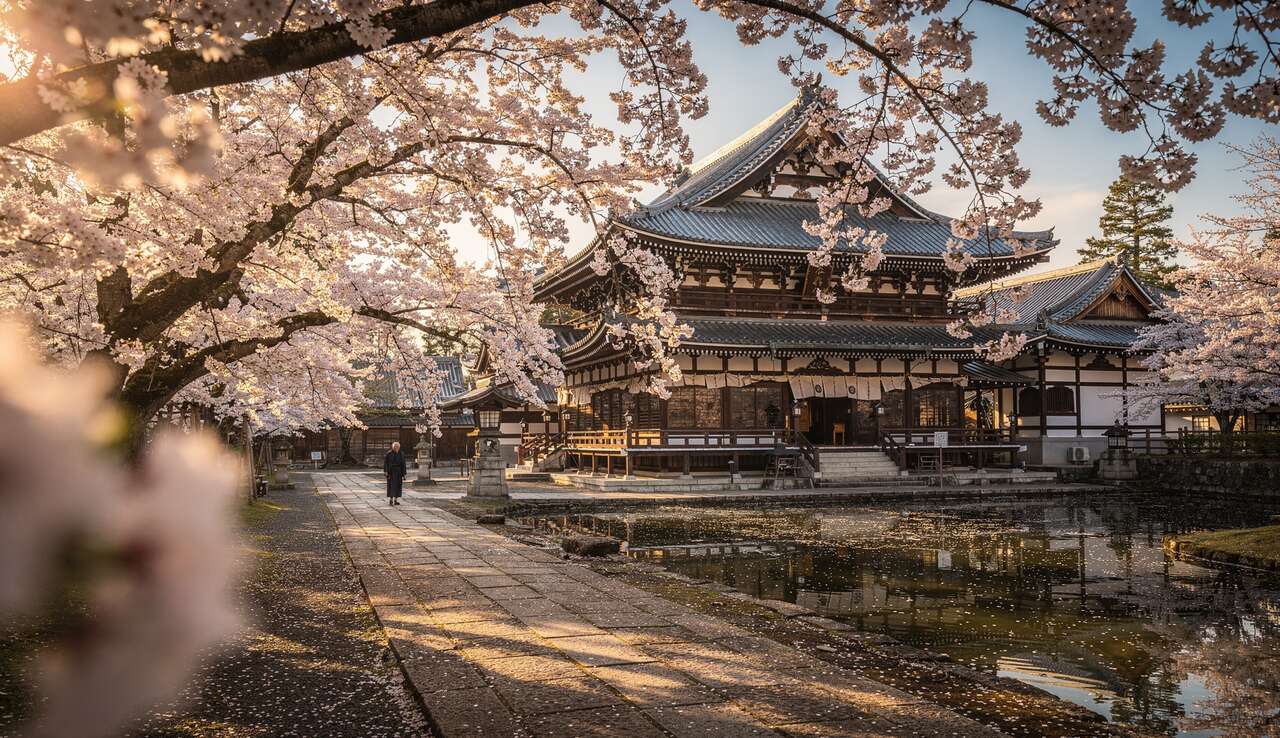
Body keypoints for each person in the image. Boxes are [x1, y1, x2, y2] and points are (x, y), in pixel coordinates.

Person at [383, 441, 407, 506]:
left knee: (398, 486)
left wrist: (404, 474)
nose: (396, 448)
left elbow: (403, 464)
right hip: (391, 472)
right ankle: (391, 499)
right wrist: (386, 471)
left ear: (399, 447)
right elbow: (385, 463)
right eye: (395, 447)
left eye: (397, 447)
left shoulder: (401, 453)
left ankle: (395, 500)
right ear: (392, 447)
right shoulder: (389, 453)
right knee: (391, 486)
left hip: (399, 472)